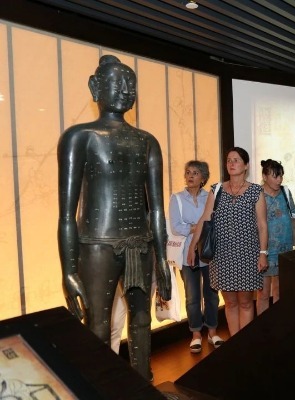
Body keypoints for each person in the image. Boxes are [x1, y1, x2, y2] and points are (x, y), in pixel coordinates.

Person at [57, 55, 170, 381]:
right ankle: (100, 388)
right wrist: (69, 270)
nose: (125, 90)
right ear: (95, 87)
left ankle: (141, 386)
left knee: (142, 320)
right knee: (98, 323)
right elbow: (66, 214)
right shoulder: (79, 137)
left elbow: (156, 209)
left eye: (131, 84)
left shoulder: (147, 141)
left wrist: (162, 258)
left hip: (141, 244)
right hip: (96, 245)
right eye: (116, 82)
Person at [188, 147, 268, 337]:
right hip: (221, 256)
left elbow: (262, 225)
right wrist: (192, 247)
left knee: (246, 303)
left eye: (236, 160)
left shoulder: (256, 191)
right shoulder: (216, 190)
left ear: (246, 165)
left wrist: (263, 253)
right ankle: (235, 344)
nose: (231, 163)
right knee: (230, 303)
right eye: (229, 160)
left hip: (248, 255)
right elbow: (204, 219)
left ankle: (244, 344)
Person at [171, 161, 222, 353]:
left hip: (209, 252)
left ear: (203, 178)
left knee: (212, 295)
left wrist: (194, 226)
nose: (190, 176)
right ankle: (196, 334)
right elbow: (176, 227)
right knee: (192, 297)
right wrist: (200, 226)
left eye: (195, 173)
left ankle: (212, 331)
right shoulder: (176, 198)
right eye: (188, 172)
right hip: (187, 253)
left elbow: (213, 222)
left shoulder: (209, 197)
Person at [257, 159, 295, 315]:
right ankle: (263, 326)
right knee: (263, 294)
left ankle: (279, 325)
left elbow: (294, 213)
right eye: (275, 176)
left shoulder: (285, 192)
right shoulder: (257, 194)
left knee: (280, 293)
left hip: (285, 251)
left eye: (281, 176)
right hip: (264, 252)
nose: (279, 180)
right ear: (265, 176)